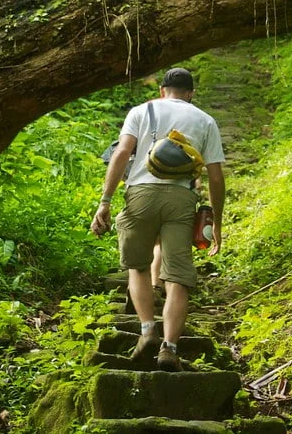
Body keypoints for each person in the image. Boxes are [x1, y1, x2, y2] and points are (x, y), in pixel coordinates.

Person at [90, 67, 225, 371]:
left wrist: (105, 201)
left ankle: (148, 331)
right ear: (190, 94)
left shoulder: (141, 111)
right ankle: (170, 348)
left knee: (137, 266)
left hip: (140, 193)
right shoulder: (205, 120)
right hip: (181, 199)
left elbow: (122, 152)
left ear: (163, 90)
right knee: (177, 276)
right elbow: (216, 177)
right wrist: (216, 221)